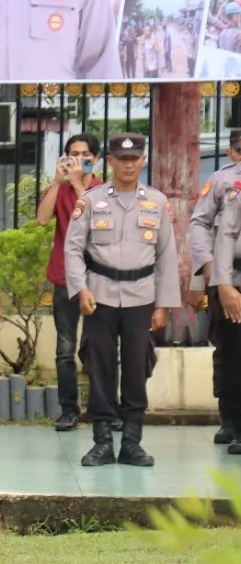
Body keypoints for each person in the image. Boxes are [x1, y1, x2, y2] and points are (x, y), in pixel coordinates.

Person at [63, 132, 181, 467]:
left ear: (143, 160)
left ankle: (132, 441)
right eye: (121, 159)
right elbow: (73, 248)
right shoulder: (91, 200)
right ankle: (101, 441)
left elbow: (167, 255)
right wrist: (80, 288)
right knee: (99, 365)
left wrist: (163, 305)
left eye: (134, 159)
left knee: (136, 367)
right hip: (99, 294)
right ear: (110, 162)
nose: (128, 165)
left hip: (141, 297)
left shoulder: (156, 202)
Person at [36, 132, 103, 431]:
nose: (78, 160)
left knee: (98, 347)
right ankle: (68, 409)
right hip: (64, 276)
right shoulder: (59, 188)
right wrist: (56, 181)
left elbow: (91, 222)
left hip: (100, 278)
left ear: (96, 159)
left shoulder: (104, 190)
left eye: (84, 155)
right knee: (65, 348)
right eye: (72, 154)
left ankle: (101, 409)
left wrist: (77, 183)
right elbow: (41, 218)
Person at [188, 128, 241, 445]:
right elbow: (200, 224)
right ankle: (231, 419)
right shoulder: (223, 181)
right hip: (228, 278)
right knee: (230, 352)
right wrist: (209, 271)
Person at [213, 189, 241, 453]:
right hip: (238, 282)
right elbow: (225, 236)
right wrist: (224, 283)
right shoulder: (237, 194)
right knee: (235, 359)